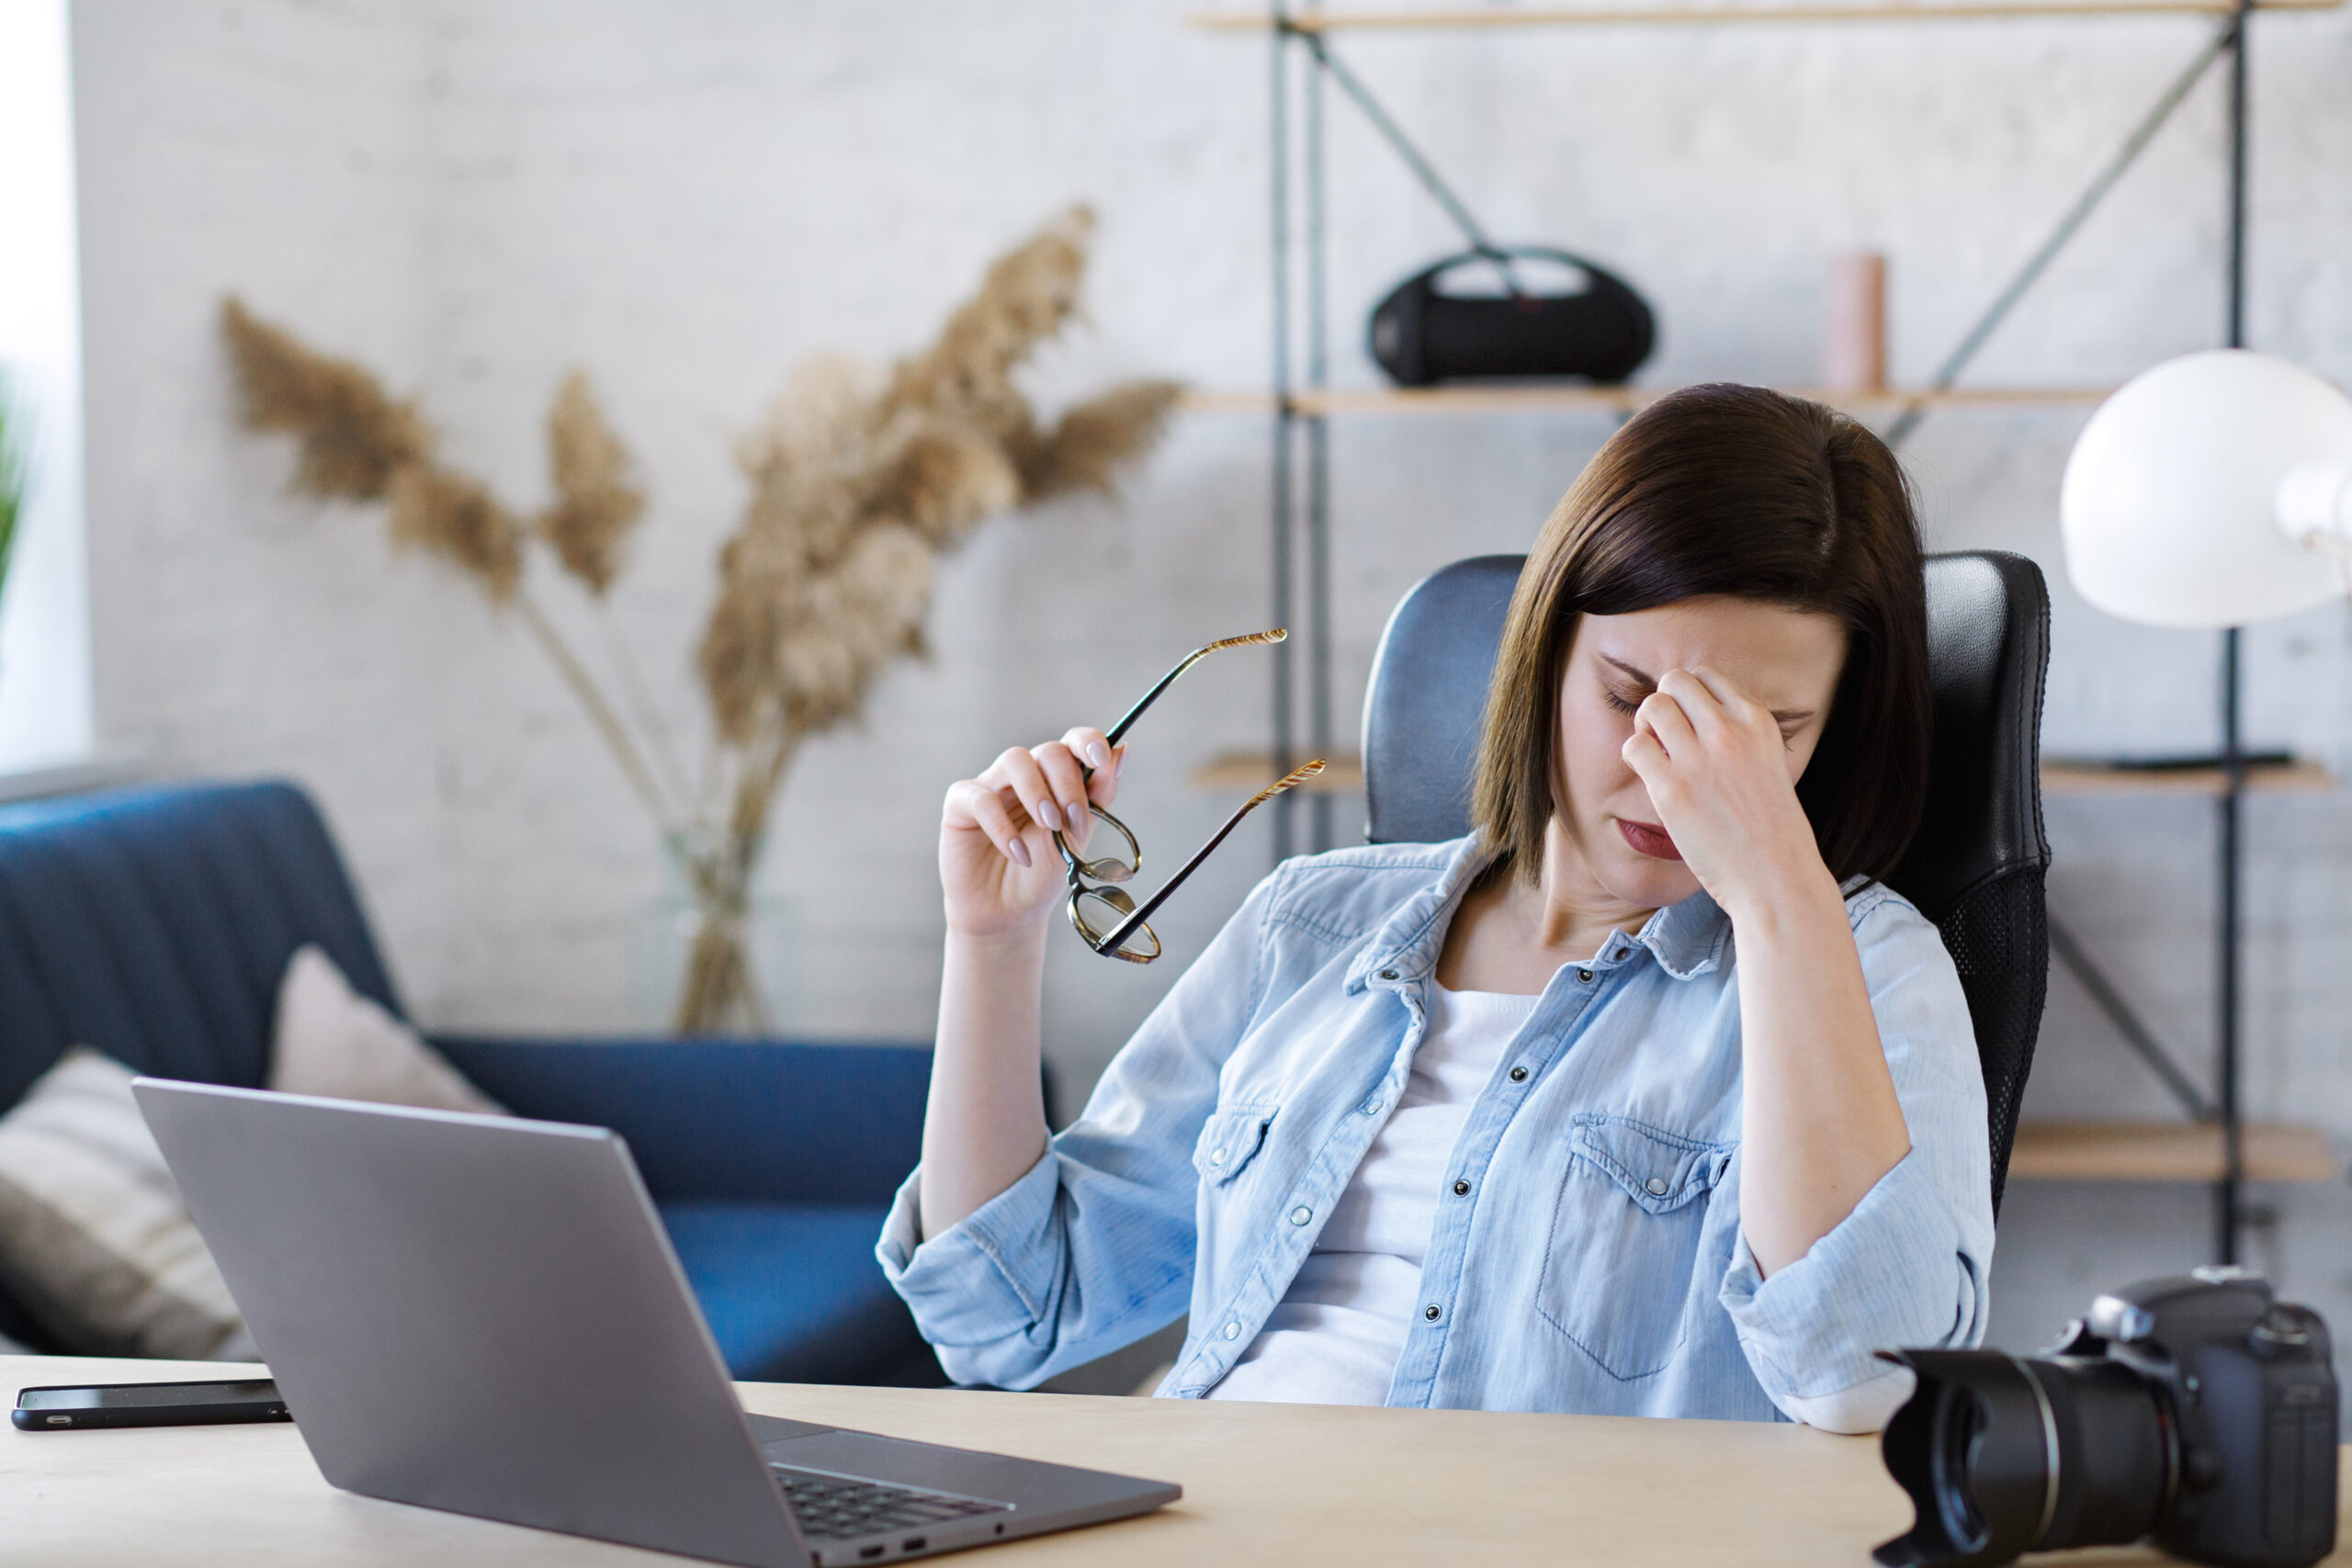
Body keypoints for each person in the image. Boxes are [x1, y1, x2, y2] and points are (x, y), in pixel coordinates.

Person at [877, 384, 1992, 1431]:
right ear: (1545, 657)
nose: (1669, 774)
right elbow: (1004, 1321)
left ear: (1833, 734)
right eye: (1628, 699)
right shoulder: (1310, 926)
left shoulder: (1868, 966)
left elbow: (1868, 1388)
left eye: (1757, 736)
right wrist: (992, 943)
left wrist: (1778, 893)